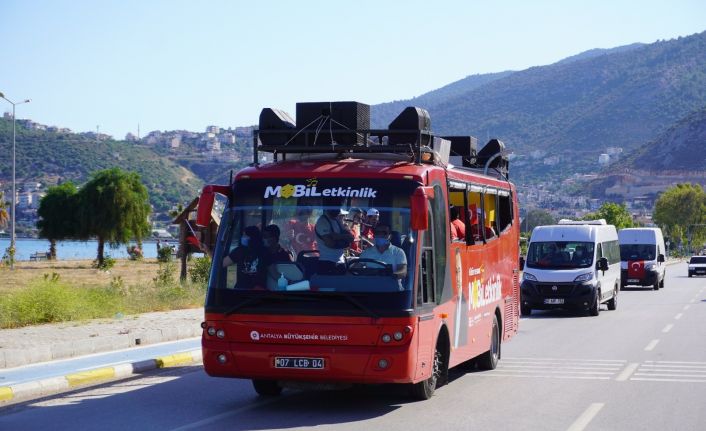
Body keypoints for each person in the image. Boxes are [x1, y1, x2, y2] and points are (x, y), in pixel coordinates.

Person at [315, 204, 354, 273]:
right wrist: (343, 237)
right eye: (335, 207)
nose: (338, 210)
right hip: (327, 263)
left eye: (339, 207)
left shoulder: (337, 220)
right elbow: (330, 243)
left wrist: (337, 236)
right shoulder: (322, 221)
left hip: (341, 262)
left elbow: (351, 238)